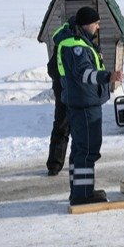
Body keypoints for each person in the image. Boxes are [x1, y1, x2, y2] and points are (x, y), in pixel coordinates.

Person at [57, 6, 121, 205]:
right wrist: (108, 77)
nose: (98, 27)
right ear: (86, 24)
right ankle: (83, 195)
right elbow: (85, 74)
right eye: (96, 23)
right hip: (85, 104)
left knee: (79, 149)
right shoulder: (76, 47)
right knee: (87, 149)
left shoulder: (77, 42)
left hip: (81, 102)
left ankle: (79, 190)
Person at [44, 18, 74, 176]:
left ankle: (54, 165)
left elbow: (51, 68)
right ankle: (76, 163)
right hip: (69, 91)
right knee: (74, 128)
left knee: (61, 127)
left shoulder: (60, 40)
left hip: (61, 90)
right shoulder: (73, 42)